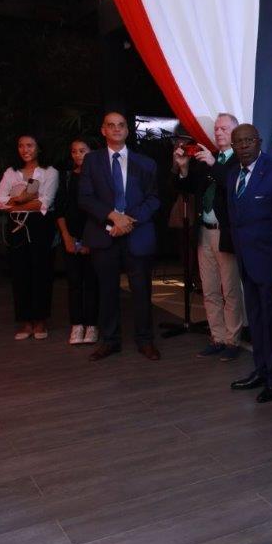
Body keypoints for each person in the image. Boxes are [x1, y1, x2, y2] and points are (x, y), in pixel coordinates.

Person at [79, 112, 161, 362]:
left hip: (137, 234)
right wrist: (113, 216)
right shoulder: (91, 160)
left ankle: (145, 340)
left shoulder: (145, 163)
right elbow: (85, 198)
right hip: (103, 235)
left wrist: (128, 221)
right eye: (111, 125)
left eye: (121, 125)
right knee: (107, 291)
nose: (116, 129)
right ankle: (110, 341)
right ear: (103, 130)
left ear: (127, 130)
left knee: (142, 291)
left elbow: (154, 199)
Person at [225, 124, 272, 403]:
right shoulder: (233, 175)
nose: (243, 146)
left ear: (259, 141)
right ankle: (261, 370)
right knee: (255, 320)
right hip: (246, 262)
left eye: (248, 140)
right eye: (238, 142)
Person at [173, 113, 244, 361]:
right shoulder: (206, 158)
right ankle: (217, 337)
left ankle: (233, 340)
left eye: (224, 128)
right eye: (216, 129)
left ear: (235, 132)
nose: (219, 132)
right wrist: (183, 168)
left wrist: (215, 164)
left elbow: (233, 186)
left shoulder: (241, 158)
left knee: (230, 290)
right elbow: (187, 189)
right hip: (204, 231)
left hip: (225, 233)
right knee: (210, 289)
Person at [0, 133, 59, 340]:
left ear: (39, 148)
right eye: (21, 146)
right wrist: (23, 200)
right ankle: (25, 322)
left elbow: (44, 203)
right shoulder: (11, 172)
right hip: (17, 226)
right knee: (19, 273)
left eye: (30, 145)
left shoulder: (49, 172)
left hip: (41, 226)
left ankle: (40, 321)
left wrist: (15, 201)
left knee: (41, 272)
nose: (25, 150)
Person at [55, 139, 99, 346]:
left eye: (82, 150)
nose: (78, 155)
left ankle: (92, 325)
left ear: (91, 152)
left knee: (91, 283)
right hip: (70, 238)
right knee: (74, 284)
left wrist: (90, 240)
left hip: (92, 238)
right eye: (74, 151)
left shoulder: (98, 178)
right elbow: (59, 210)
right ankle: (77, 325)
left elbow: (100, 211)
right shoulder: (66, 177)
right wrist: (66, 237)